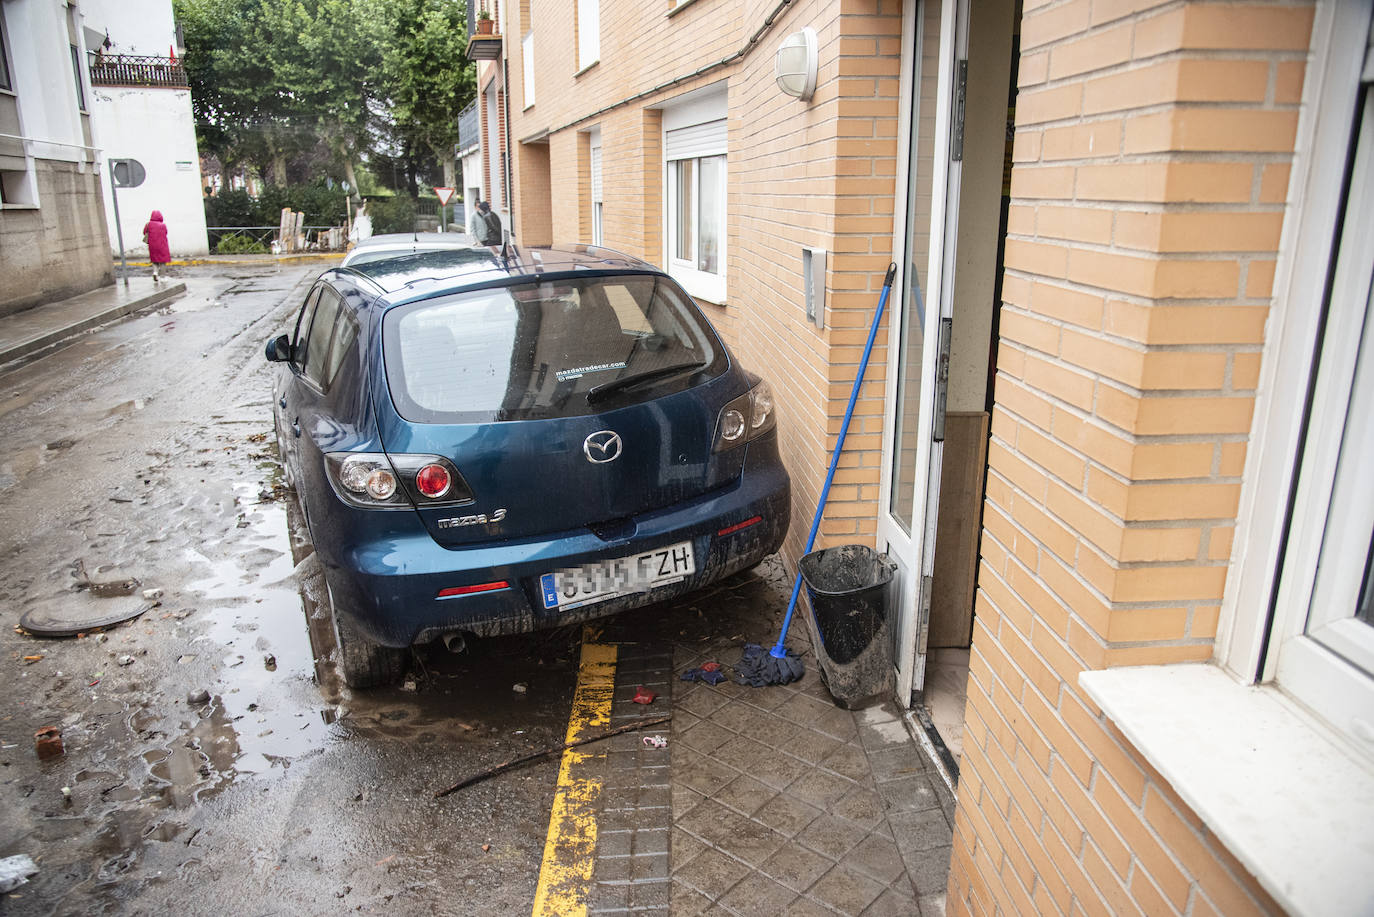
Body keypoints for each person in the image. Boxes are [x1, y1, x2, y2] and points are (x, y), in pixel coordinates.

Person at [142, 210, 171, 282]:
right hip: (162, 245)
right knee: (163, 261)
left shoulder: (148, 224)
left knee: (154, 260)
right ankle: (163, 277)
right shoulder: (163, 225)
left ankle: (155, 272)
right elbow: (166, 233)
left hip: (152, 246)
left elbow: (144, 232)